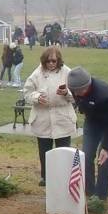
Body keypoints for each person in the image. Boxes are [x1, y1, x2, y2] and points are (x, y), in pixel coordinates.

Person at [67, 66, 108, 201]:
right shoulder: (75, 88)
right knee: (86, 155)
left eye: (81, 90)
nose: (78, 93)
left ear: (88, 84)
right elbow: (80, 102)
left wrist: (106, 147)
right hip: (92, 121)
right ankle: (89, 192)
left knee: (103, 158)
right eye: (76, 91)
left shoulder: (105, 94)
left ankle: (101, 195)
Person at [23, 46, 76, 186]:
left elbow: (76, 96)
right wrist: (37, 97)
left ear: (59, 60)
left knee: (63, 150)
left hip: (62, 117)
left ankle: (64, 176)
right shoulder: (36, 74)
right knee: (44, 150)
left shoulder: (68, 73)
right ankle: (46, 177)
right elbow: (27, 93)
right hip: (42, 117)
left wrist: (66, 93)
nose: (51, 64)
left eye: (54, 61)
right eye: (48, 61)